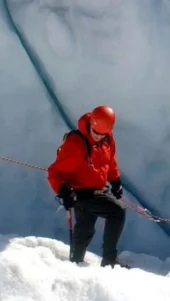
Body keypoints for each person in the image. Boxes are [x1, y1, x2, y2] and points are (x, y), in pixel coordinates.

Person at [47, 105, 127, 267]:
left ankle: (76, 262)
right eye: (95, 133)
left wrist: (115, 180)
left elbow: (110, 161)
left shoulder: (107, 138)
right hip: (80, 192)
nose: (97, 137)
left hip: (98, 188)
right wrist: (63, 190)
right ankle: (110, 260)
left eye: (102, 134)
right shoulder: (76, 143)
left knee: (85, 229)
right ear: (91, 123)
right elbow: (54, 172)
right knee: (117, 211)